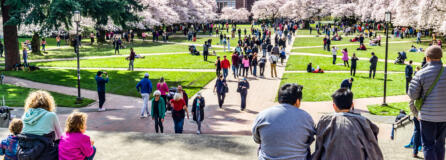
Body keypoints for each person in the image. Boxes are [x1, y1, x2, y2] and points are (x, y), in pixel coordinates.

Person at [312, 89, 383, 160]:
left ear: (334, 106)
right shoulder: (363, 122)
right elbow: (372, 149)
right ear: (352, 104)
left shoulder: (325, 121)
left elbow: (318, 148)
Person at [252, 83, 315, 160]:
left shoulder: (262, 115)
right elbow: (310, 139)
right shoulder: (306, 117)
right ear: (297, 101)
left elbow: (256, 139)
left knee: (262, 145)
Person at [408, 46, 446, 160]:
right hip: (444, 116)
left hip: (427, 116)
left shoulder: (421, 74)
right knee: (440, 144)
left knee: (428, 145)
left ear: (427, 58)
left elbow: (412, 95)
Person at [19, 91, 63, 159]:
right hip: (45, 153)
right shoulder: (51, 115)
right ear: (48, 103)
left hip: (26, 153)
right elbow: (60, 136)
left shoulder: (26, 115)